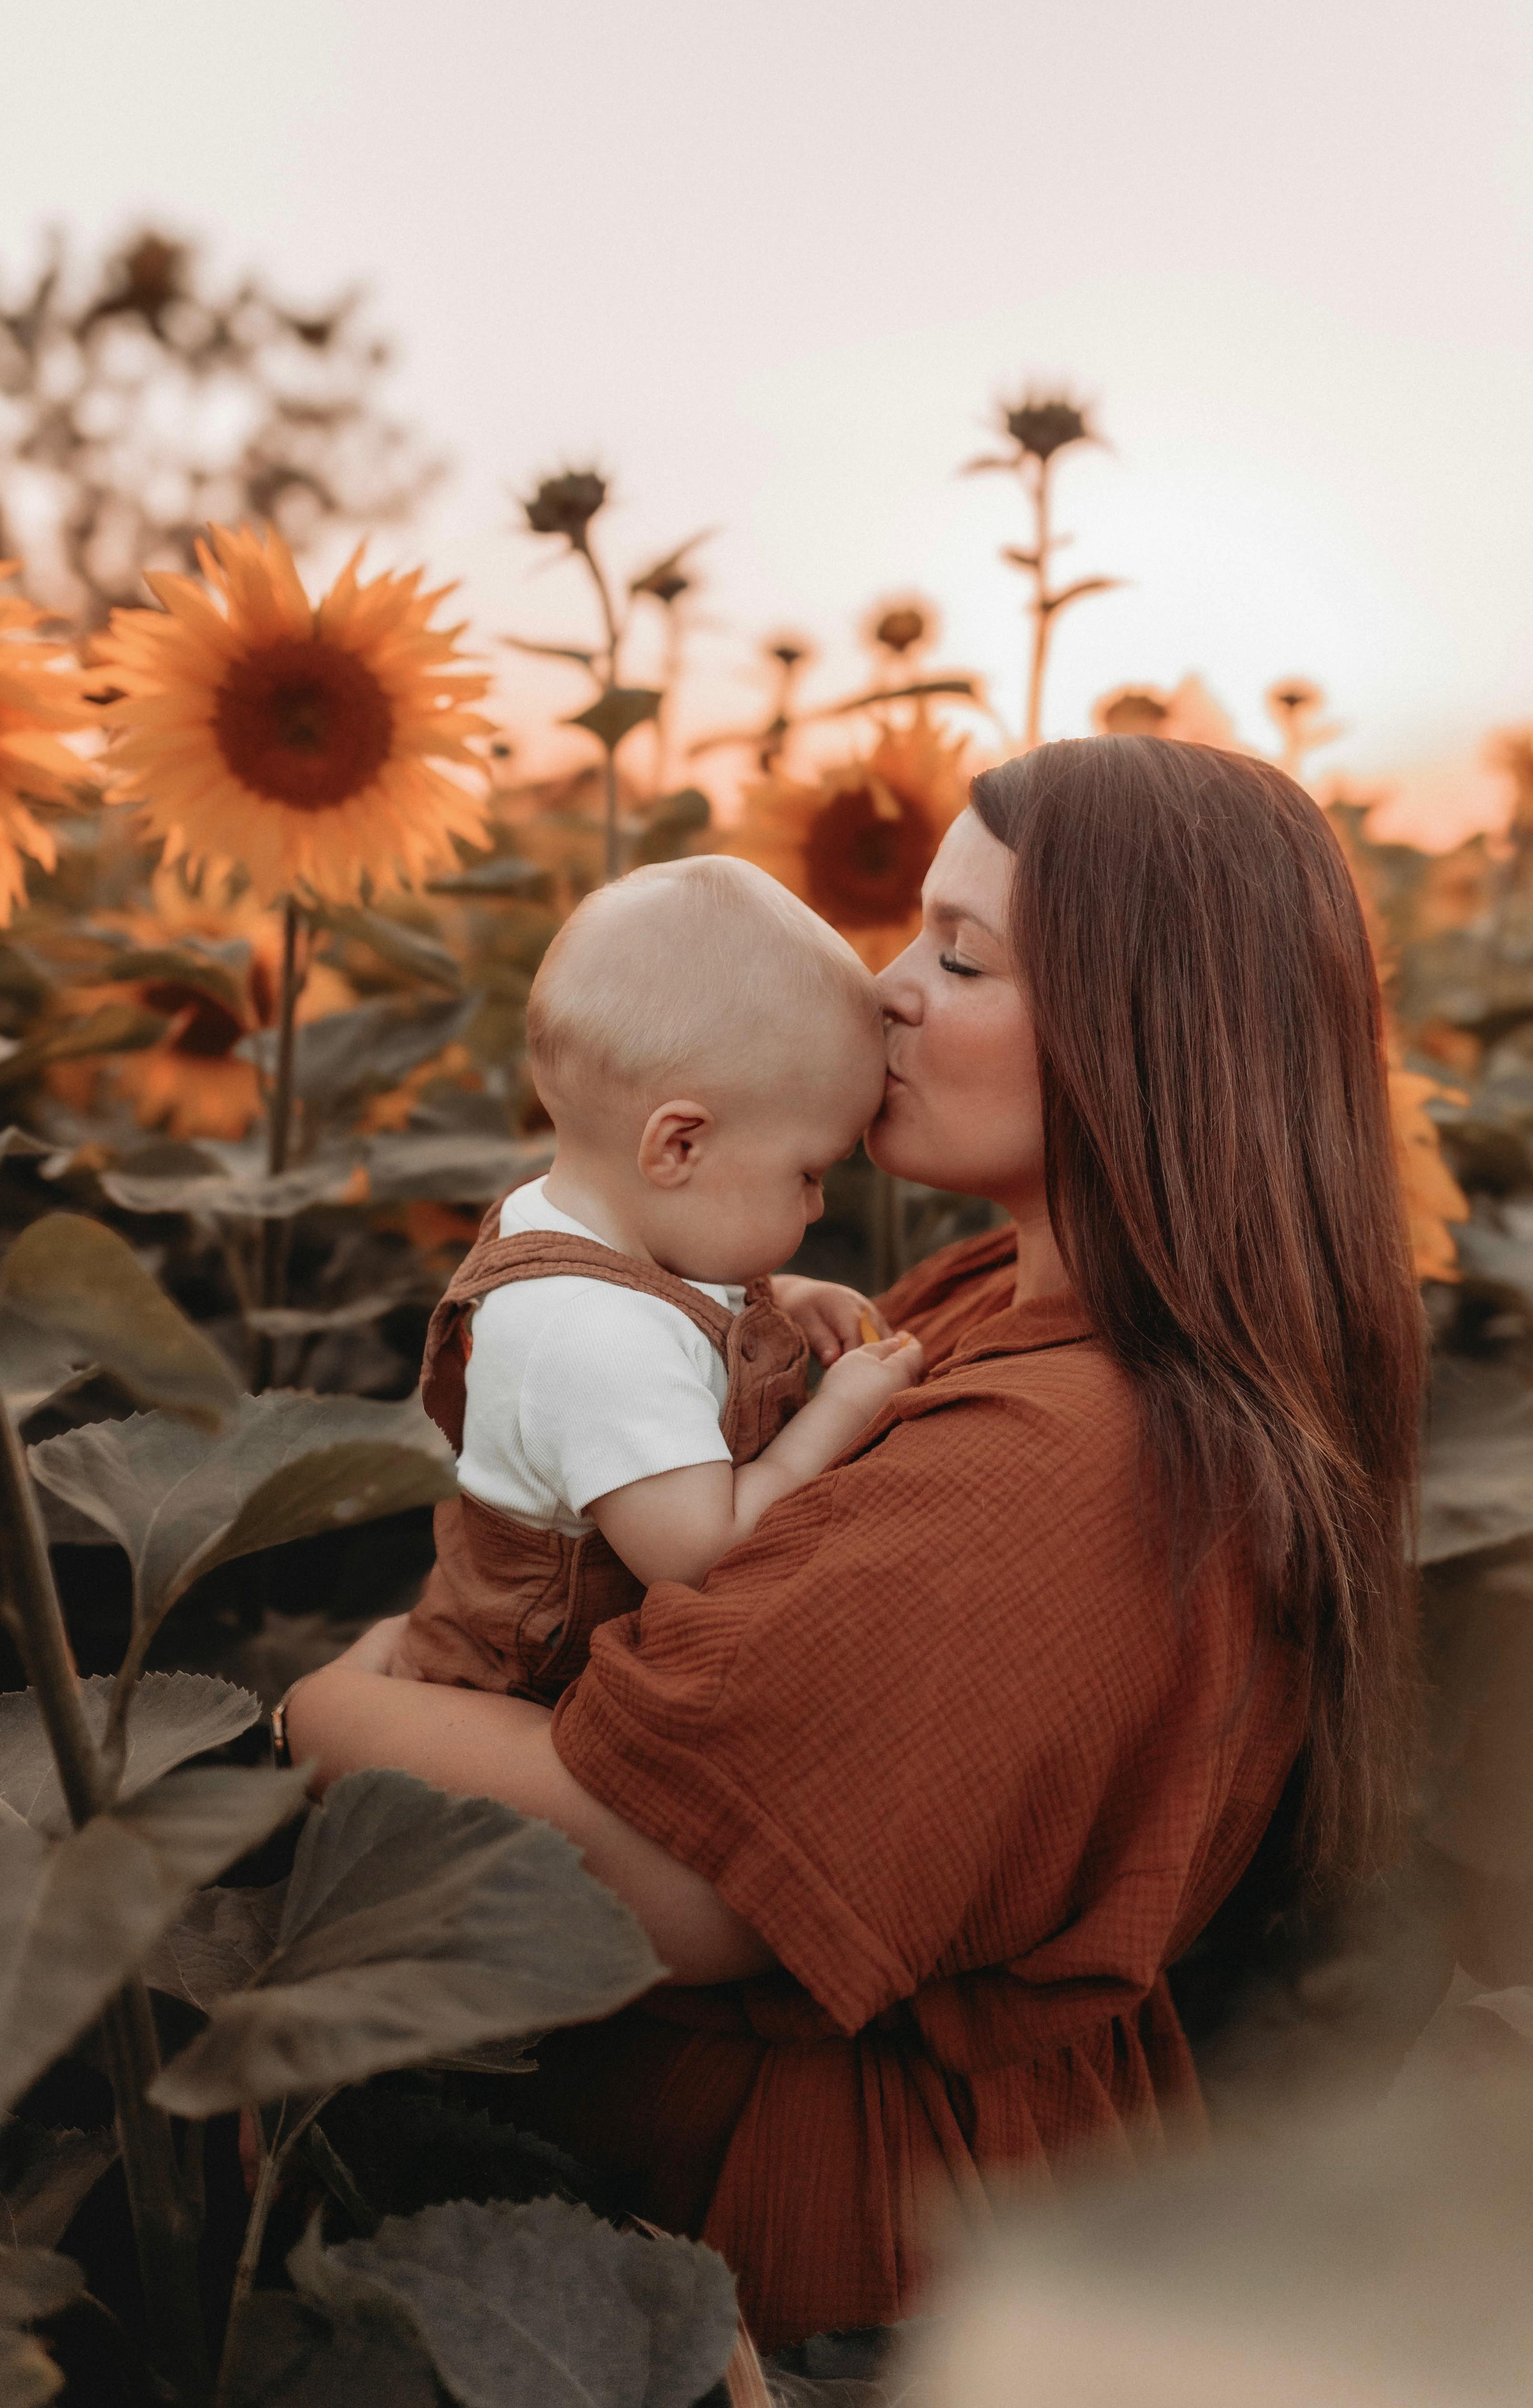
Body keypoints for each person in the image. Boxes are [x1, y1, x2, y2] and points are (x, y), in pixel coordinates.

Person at [284, 737, 1426, 2347]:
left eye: (957, 958)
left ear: (1145, 1036)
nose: (886, 991)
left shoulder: (1066, 1462)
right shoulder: (987, 1300)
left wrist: (317, 1713)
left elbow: (676, 1881)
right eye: (908, 932)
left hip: (831, 2264)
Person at [391, 857, 923, 1697]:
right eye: (809, 1174)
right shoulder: (591, 1339)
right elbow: (704, 1554)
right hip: (515, 1707)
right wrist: (840, 1413)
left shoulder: (583, 1227)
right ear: (678, 1145)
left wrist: (786, 1297)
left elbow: (667, 1309)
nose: (818, 1209)